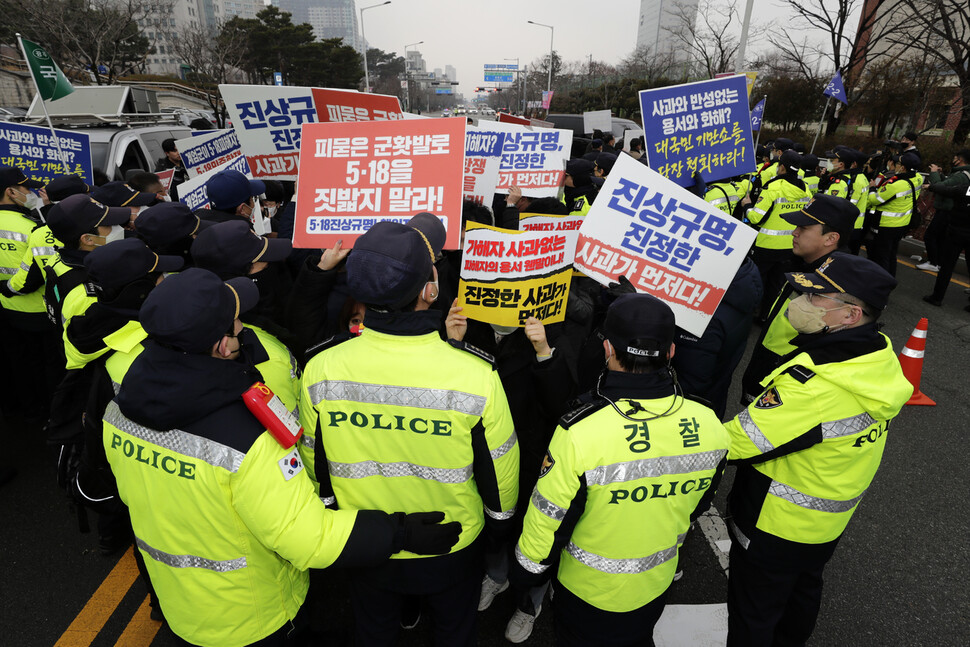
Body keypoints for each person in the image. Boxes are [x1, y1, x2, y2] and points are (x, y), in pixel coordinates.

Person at [105, 267, 462, 647]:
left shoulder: (117, 412)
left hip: (179, 604)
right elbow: (308, 538)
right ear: (223, 346)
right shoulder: (247, 439)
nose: (243, 326)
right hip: (254, 615)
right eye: (236, 323)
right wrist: (398, 532)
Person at [300, 221, 519, 646]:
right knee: (454, 633)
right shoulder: (474, 374)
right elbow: (500, 470)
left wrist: (333, 518)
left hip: (364, 539)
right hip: (453, 541)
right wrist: (497, 529)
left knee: (373, 631)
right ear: (429, 290)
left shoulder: (321, 369)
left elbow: (316, 464)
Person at [511, 293, 730, 647]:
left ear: (608, 348)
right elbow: (699, 505)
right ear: (671, 352)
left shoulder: (580, 432)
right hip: (654, 586)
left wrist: (525, 576)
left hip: (587, 591)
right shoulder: (710, 423)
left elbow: (547, 520)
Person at [724, 253, 912, 646]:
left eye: (815, 298)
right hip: (826, 519)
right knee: (801, 594)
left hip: (776, 520)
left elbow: (737, 442)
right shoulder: (877, 354)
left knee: (753, 611)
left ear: (849, 315)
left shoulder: (813, 384)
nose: (800, 302)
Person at [740, 194, 857, 404]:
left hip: (785, 387)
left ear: (831, 238)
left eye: (804, 228)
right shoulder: (803, 265)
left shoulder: (833, 287)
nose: (794, 232)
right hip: (769, 371)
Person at [0, 166, 59, 420]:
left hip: (4, 308)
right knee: (47, 367)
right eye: (27, 188)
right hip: (37, 310)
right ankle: (46, 414)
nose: (32, 192)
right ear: (11, 192)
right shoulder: (32, 227)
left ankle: (21, 410)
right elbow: (42, 271)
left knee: (16, 363)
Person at [741, 150, 812, 321]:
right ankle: (766, 316)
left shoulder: (773, 188)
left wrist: (747, 205)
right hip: (791, 245)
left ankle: (747, 316)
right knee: (776, 284)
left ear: (782, 168)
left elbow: (756, 218)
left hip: (766, 245)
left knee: (756, 283)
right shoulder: (805, 189)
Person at [864, 152, 923, 276]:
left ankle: (881, 284)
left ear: (903, 168)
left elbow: (875, 199)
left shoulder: (896, 185)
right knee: (891, 255)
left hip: (886, 225)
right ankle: (890, 279)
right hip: (902, 224)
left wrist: (873, 188)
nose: (895, 166)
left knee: (882, 257)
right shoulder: (917, 178)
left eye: (898, 164)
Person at [922, 157, 970, 308]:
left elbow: (945, 189)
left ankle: (937, 297)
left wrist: (930, 187)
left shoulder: (964, 189)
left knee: (947, 267)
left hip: (956, 230)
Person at [919, 150, 970, 274]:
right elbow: (947, 186)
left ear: (960, 160)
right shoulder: (961, 174)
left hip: (947, 210)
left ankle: (933, 262)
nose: (952, 160)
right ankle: (937, 263)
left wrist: (934, 173)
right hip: (949, 210)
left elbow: (939, 186)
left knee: (930, 236)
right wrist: (941, 175)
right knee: (940, 238)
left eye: (954, 158)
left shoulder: (961, 175)